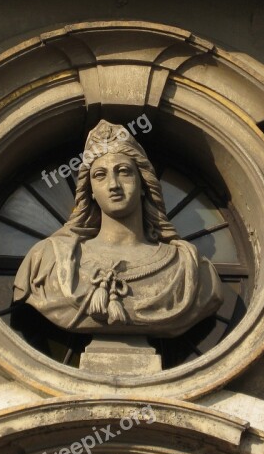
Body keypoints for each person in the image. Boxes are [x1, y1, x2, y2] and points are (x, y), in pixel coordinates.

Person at [13, 120, 224, 337]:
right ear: (90, 191)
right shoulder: (48, 261)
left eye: (123, 171)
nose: (113, 184)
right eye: (100, 175)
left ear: (143, 184)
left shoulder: (189, 267)